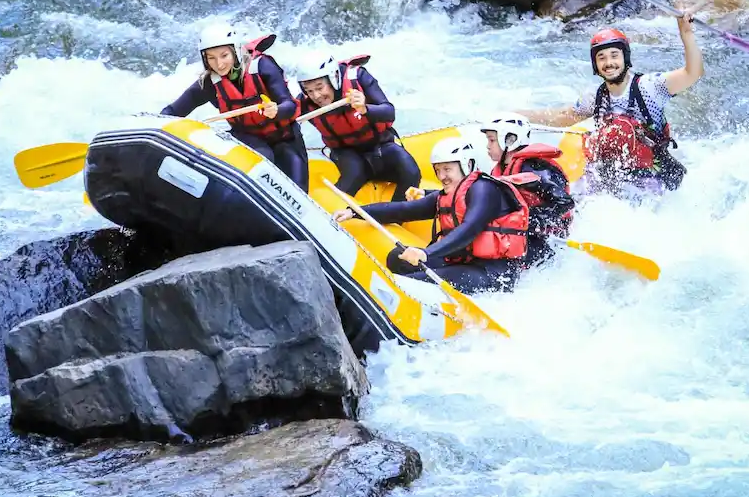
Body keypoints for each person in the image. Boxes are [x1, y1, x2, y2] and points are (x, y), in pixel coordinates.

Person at [331, 136, 530, 295]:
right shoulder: (447, 196)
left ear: (467, 165)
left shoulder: (484, 189)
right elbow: (403, 210)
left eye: (447, 169)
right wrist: (354, 212)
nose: (442, 176)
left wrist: (427, 253)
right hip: (463, 263)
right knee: (397, 258)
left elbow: (469, 229)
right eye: (438, 170)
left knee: (411, 284)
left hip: (492, 273)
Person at [551, 15, 704, 194]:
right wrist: (517, 116)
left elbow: (693, 73)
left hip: (651, 175)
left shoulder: (650, 87)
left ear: (625, 58)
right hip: (608, 174)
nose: (609, 63)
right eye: (602, 58)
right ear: (595, 64)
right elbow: (565, 116)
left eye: (614, 55)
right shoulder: (595, 98)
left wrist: (686, 34)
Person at [160, 24, 309, 191]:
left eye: (224, 56)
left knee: (299, 189)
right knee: (264, 156)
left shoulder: (262, 66)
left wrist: (276, 110)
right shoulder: (211, 83)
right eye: (211, 58)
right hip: (248, 140)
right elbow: (173, 112)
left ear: (235, 51)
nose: (219, 64)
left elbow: (288, 105)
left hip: (285, 138)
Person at [294, 50, 421, 201]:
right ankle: (333, 213)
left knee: (411, 171)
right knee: (355, 172)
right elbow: (285, 122)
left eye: (320, 87)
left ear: (333, 78)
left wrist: (365, 109)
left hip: (380, 144)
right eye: (309, 91)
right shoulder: (304, 102)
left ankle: (394, 217)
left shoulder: (358, 78)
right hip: (344, 151)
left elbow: (389, 112)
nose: (316, 96)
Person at [480, 111, 575, 268]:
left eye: (491, 140)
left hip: (549, 239)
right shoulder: (500, 170)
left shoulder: (534, 169)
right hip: (522, 234)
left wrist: (528, 220)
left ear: (510, 140)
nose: (487, 146)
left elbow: (565, 202)